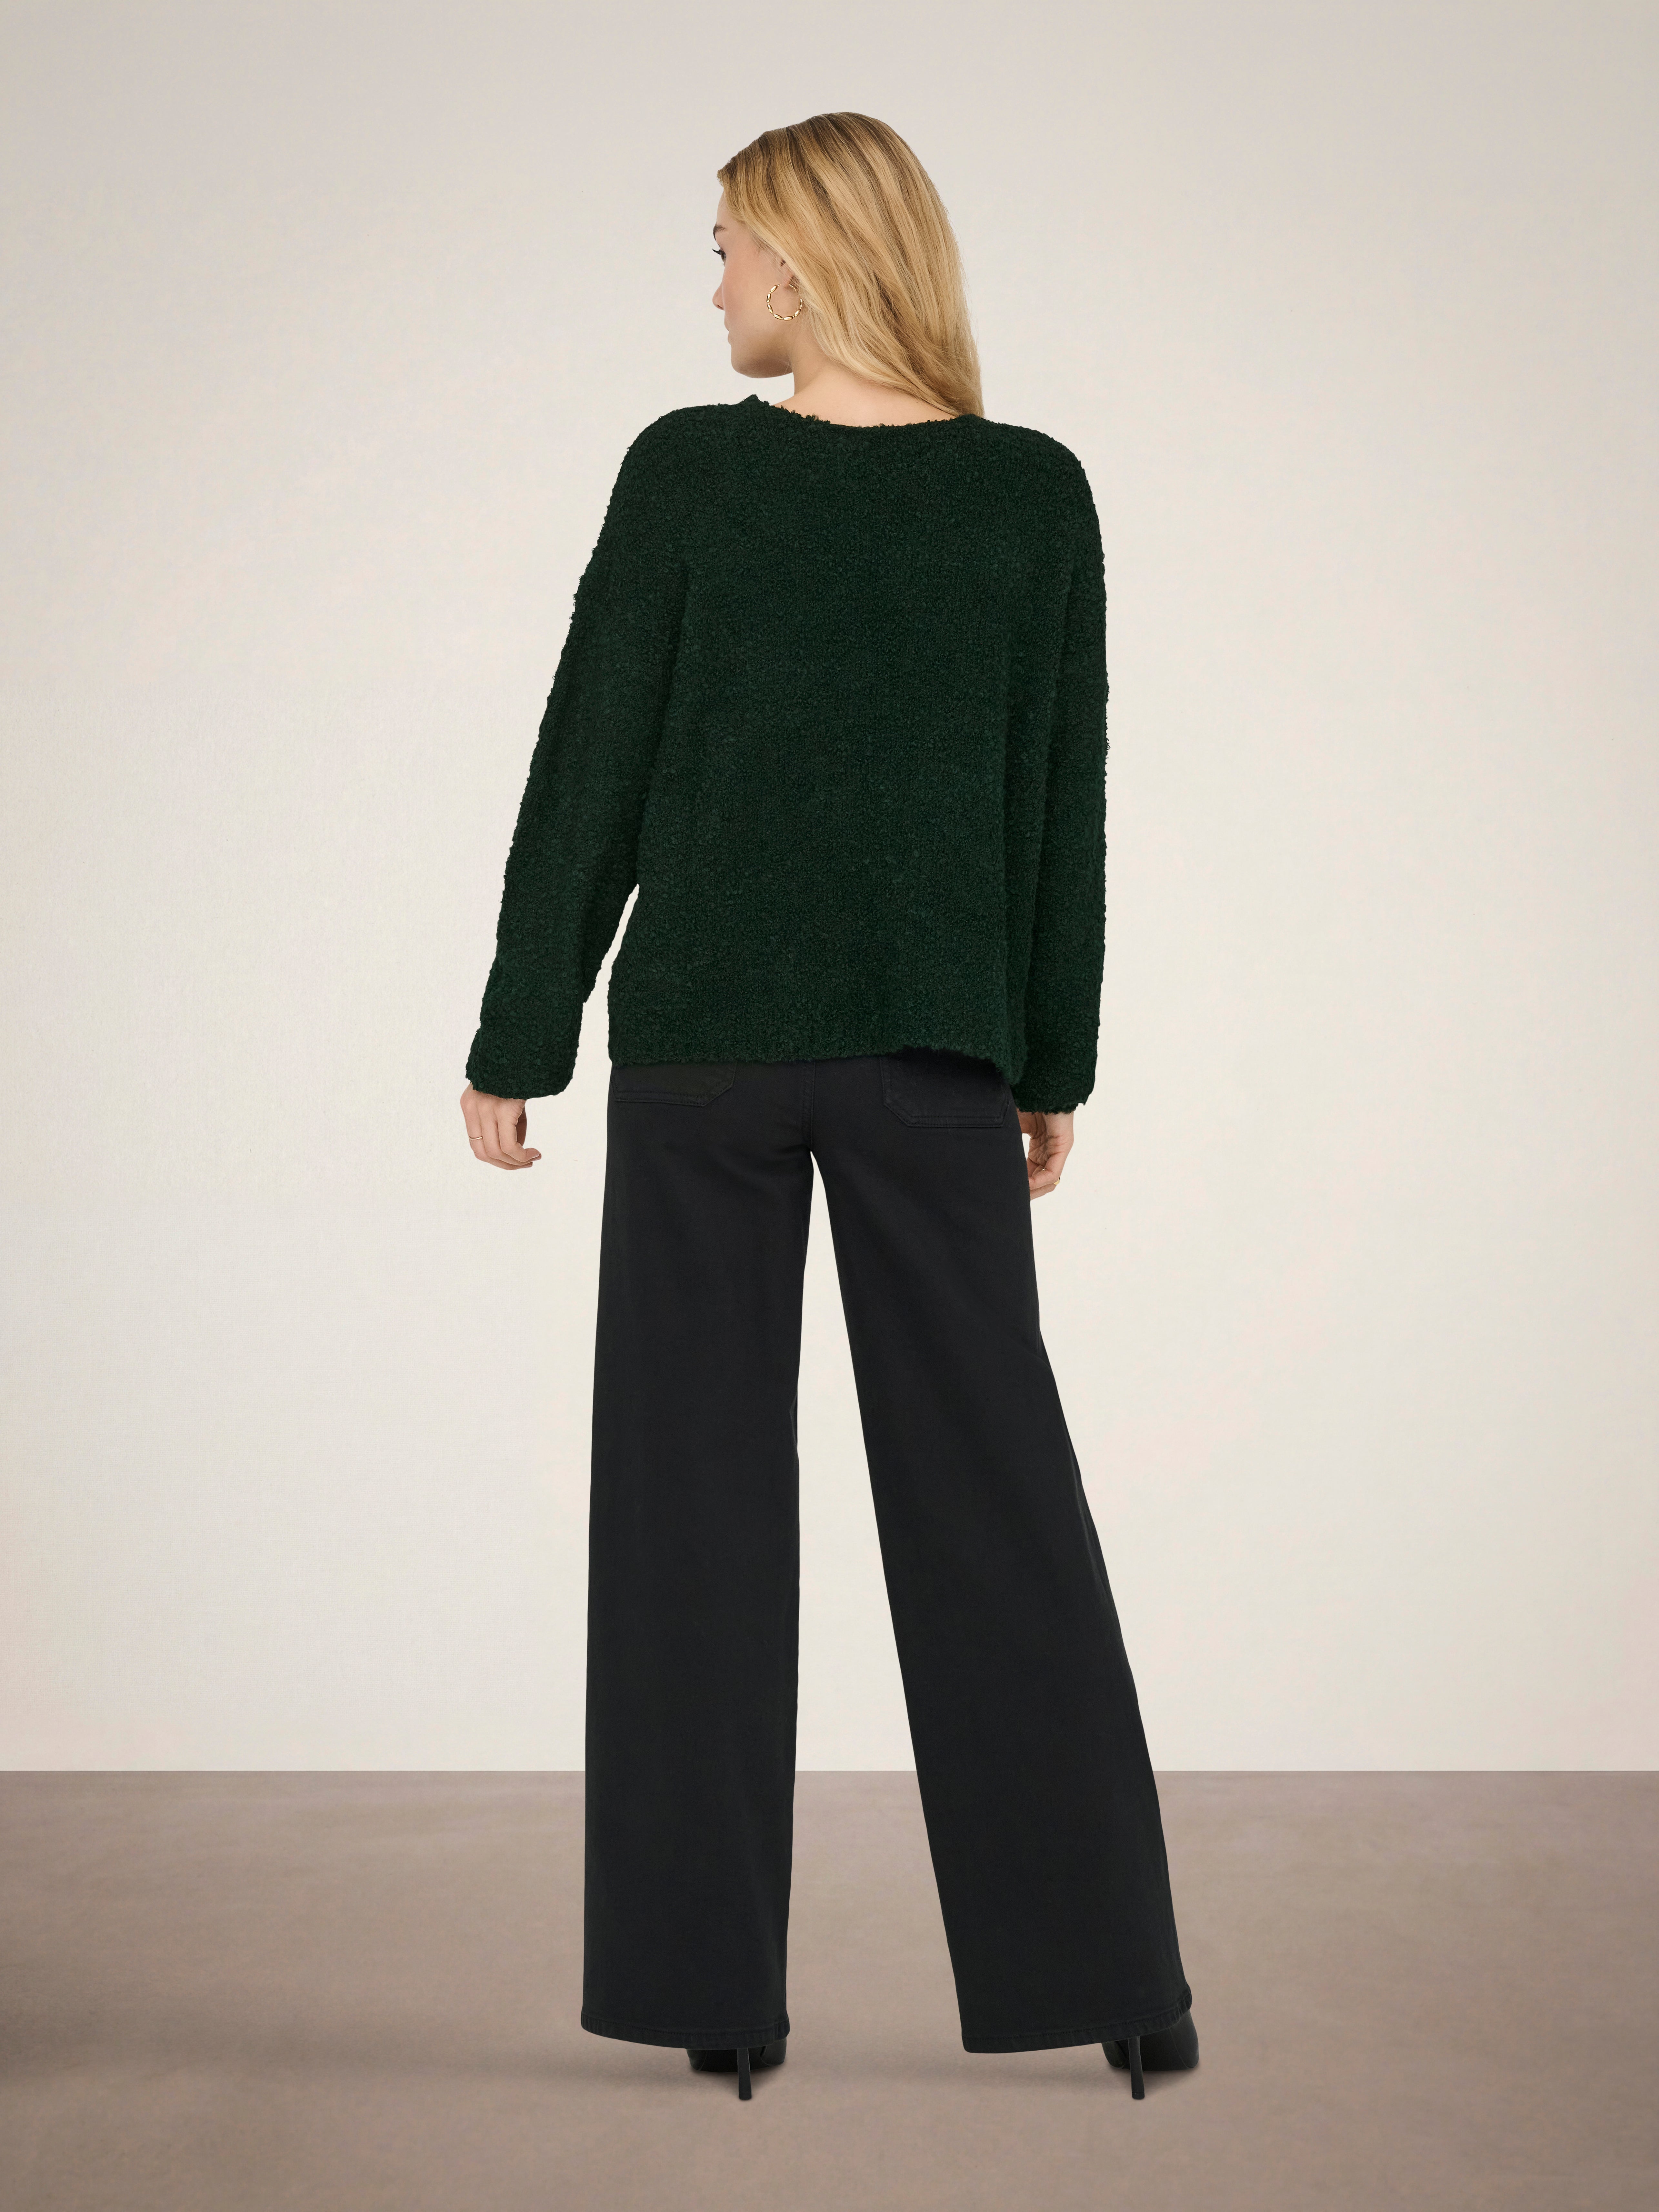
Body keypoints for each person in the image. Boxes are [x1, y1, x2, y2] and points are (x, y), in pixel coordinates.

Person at [460, 111, 1197, 2104]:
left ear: (803, 255)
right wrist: (1049, 1060)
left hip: (703, 1057)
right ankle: (1116, 1983)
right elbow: (1058, 805)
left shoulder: (693, 474)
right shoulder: (1026, 494)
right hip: (928, 1063)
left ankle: (708, 1994)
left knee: (686, 1520)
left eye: (725, 245)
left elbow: (590, 768)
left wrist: (520, 1029)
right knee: (994, 1506)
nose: (711, 283)